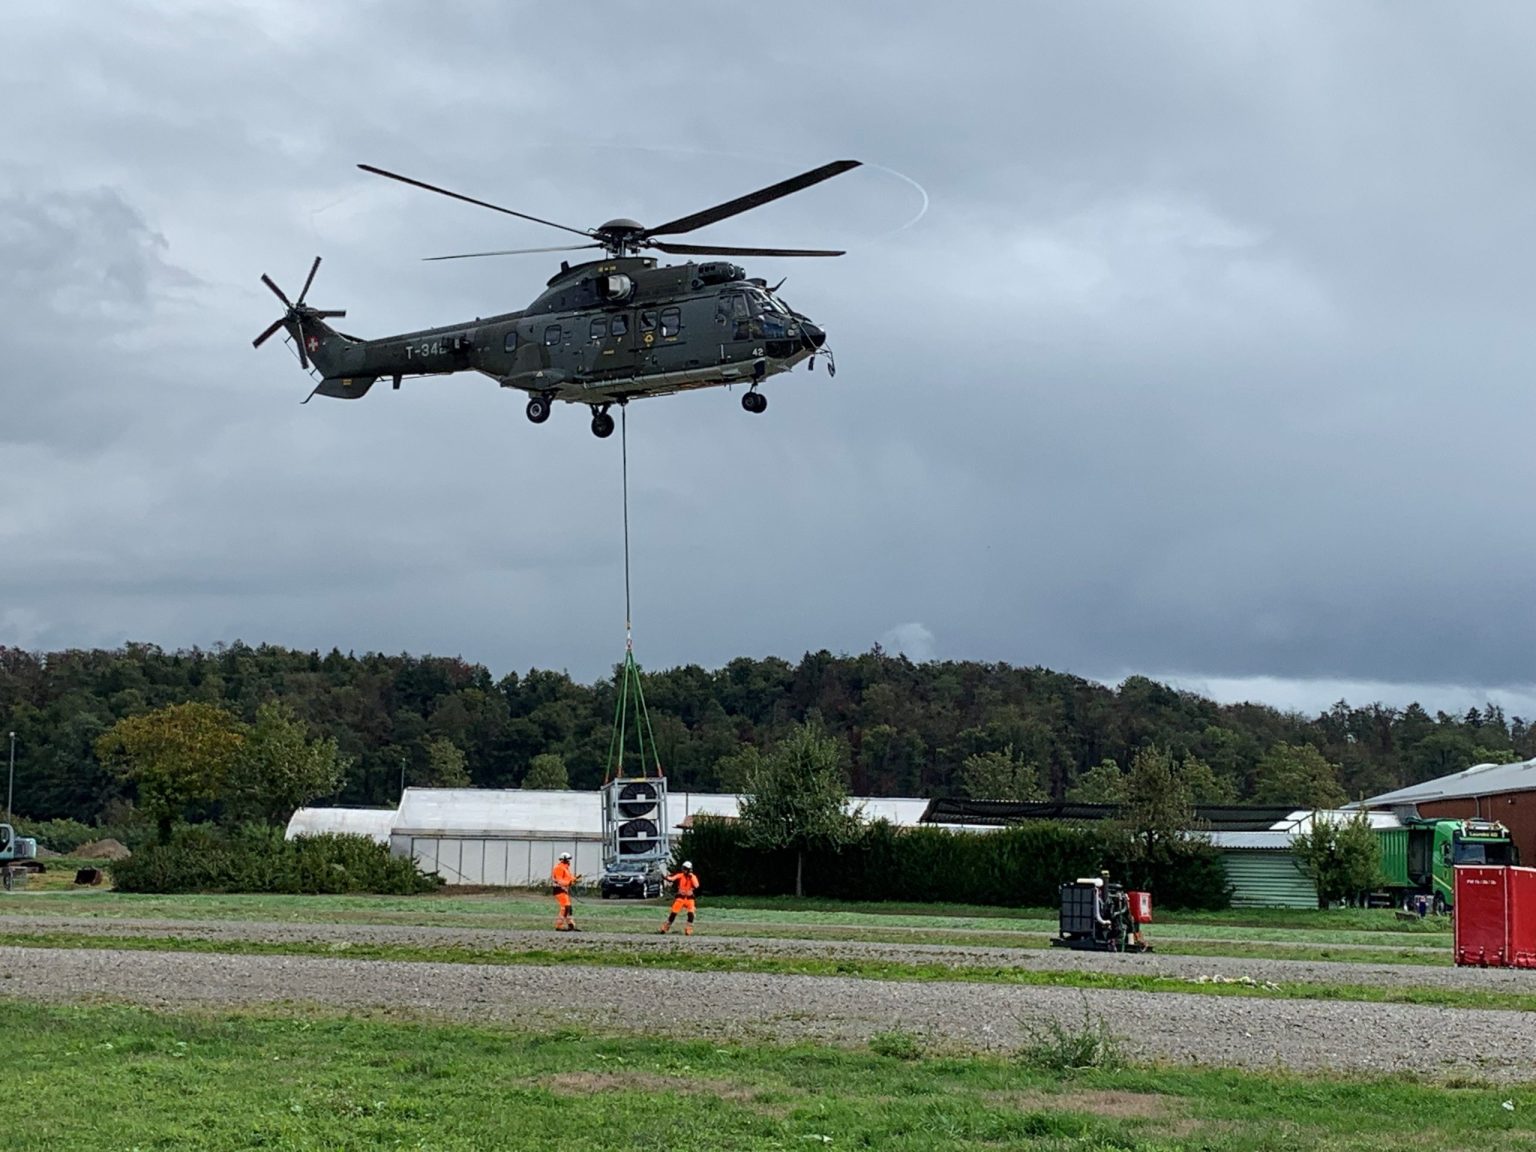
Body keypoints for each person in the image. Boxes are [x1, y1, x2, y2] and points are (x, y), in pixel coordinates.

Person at [658, 860, 700, 935]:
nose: (683, 870)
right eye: (683, 868)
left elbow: (696, 885)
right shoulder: (680, 875)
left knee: (691, 914)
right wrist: (666, 877)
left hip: (690, 899)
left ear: (689, 869)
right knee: (673, 913)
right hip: (680, 898)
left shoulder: (693, 877)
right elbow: (672, 878)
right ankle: (665, 928)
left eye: (685, 868)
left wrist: (691, 877)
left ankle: (688, 929)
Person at [552, 852, 581, 932]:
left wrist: (575, 879)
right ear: (563, 860)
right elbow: (559, 881)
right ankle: (559, 926)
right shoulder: (559, 868)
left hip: (564, 890)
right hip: (559, 889)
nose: (569, 861)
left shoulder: (566, 868)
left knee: (568, 908)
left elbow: (569, 879)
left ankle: (571, 925)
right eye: (568, 860)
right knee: (565, 907)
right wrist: (569, 883)